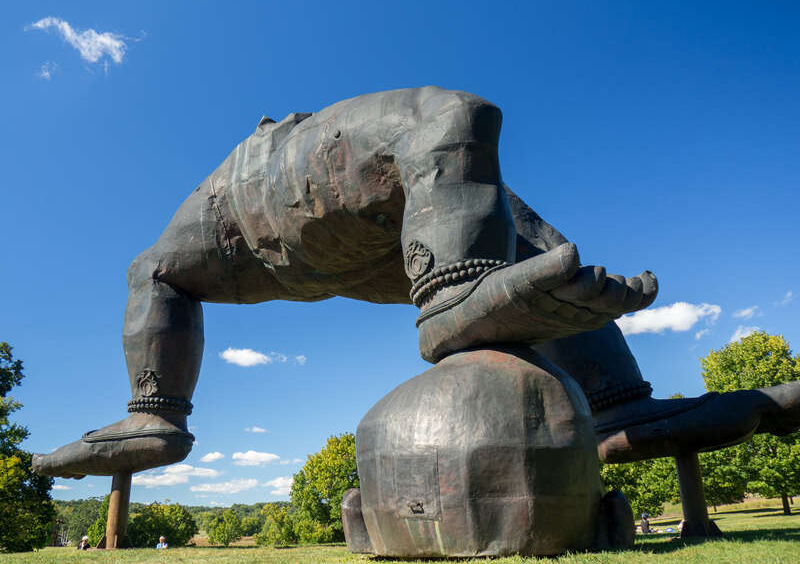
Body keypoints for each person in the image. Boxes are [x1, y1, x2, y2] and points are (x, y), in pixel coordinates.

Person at [30, 87, 800, 480]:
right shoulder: (296, 159)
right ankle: (453, 296)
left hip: (381, 239)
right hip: (273, 208)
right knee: (452, 116)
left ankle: (619, 409)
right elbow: (155, 272)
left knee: (544, 247)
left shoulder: (471, 205)